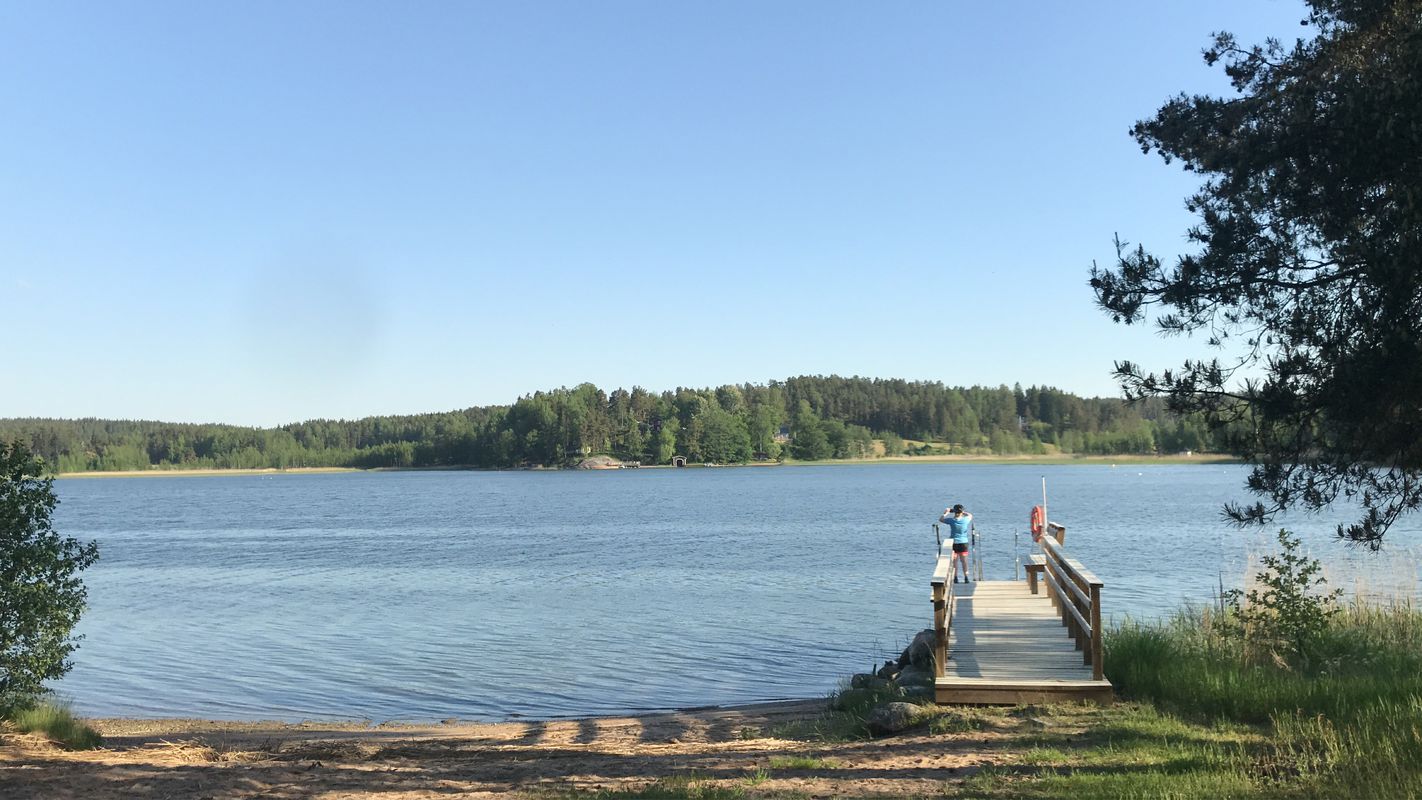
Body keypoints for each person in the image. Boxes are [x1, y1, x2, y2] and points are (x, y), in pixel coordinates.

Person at [939, 503, 973, 583]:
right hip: (963, 543)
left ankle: (955, 577)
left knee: (955, 561)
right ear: (962, 512)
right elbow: (970, 515)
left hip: (954, 543)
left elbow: (941, 519)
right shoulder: (966, 519)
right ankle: (966, 577)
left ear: (954, 512)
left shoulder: (951, 521)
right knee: (964, 561)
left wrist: (946, 513)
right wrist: (963, 512)